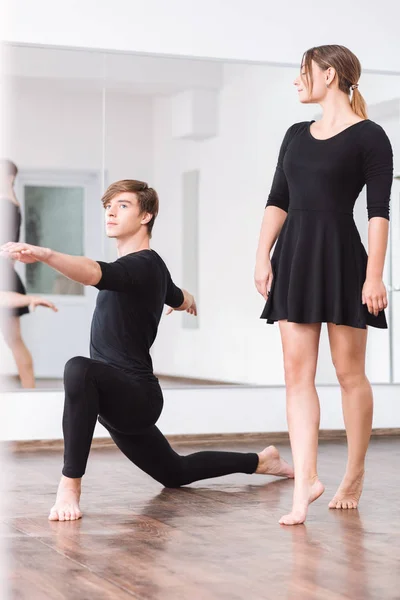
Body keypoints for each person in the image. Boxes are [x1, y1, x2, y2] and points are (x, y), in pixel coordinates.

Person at [2, 179, 294, 522]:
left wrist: (45, 254)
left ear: (146, 216)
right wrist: (188, 300)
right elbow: (174, 293)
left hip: (136, 396)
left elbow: (95, 272)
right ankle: (261, 461)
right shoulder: (151, 267)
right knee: (174, 472)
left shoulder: (142, 265)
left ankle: (69, 486)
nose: (110, 211)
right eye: (107, 206)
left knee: (78, 368)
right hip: (116, 397)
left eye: (122, 205)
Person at [255, 45, 393, 525]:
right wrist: (261, 254)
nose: (297, 81)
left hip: (342, 258)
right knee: (297, 375)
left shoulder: (370, 136)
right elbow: (278, 199)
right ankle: (304, 487)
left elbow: (379, 212)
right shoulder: (294, 134)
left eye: (302, 73)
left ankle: (353, 472)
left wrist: (375, 274)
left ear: (328, 76)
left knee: (349, 372)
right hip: (293, 256)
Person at [0, 160, 36, 388]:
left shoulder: (6, 204)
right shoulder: (12, 204)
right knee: (13, 339)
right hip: (7, 274)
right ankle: (29, 388)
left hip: (5, 276)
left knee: (13, 339)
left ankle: (29, 389)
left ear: (10, 177)